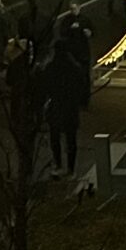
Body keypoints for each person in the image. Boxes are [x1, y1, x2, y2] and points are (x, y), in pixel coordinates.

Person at [41, 29, 90, 178]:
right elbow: (82, 86)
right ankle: (71, 168)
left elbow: (45, 86)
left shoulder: (50, 68)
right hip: (70, 106)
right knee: (71, 138)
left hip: (55, 104)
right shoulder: (74, 68)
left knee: (55, 137)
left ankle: (58, 164)